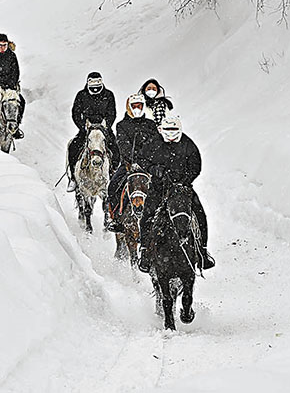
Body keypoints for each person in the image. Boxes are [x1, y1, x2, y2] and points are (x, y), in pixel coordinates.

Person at [137, 114, 215, 270]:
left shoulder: (188, 144)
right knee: (147, 215)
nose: (171, 133)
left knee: (199, 214)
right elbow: (141, 158)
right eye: (168, 129)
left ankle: (202, 252)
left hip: (182, 189)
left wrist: (184, 180)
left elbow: (196, 166)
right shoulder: (153, 143)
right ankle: (145, 251)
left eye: (174, 129)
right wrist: (153, 169)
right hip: (159, 188)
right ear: (162, 130)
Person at [105, 93, 162, 232]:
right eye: (134, 106)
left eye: (140, 105)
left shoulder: (151, 125)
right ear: (129, 107)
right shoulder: (121, 125)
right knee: (113, 186)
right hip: (128, 165)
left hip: (149, 165)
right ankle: (115, 218)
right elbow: (123, 145)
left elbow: (156, 144)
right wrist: (133, 160)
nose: (137, 108)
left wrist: (149, 160)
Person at [67, 72, 120, 188]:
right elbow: (75, 113)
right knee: (73, 147)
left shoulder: (108, 95)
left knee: (115, 148)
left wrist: (106, 125)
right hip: (86, 129)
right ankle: (73, 178)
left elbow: (112, 113)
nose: (95, 88)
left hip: (104, 129)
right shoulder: (81, 95)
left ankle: (114, 173)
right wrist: (83, 126)